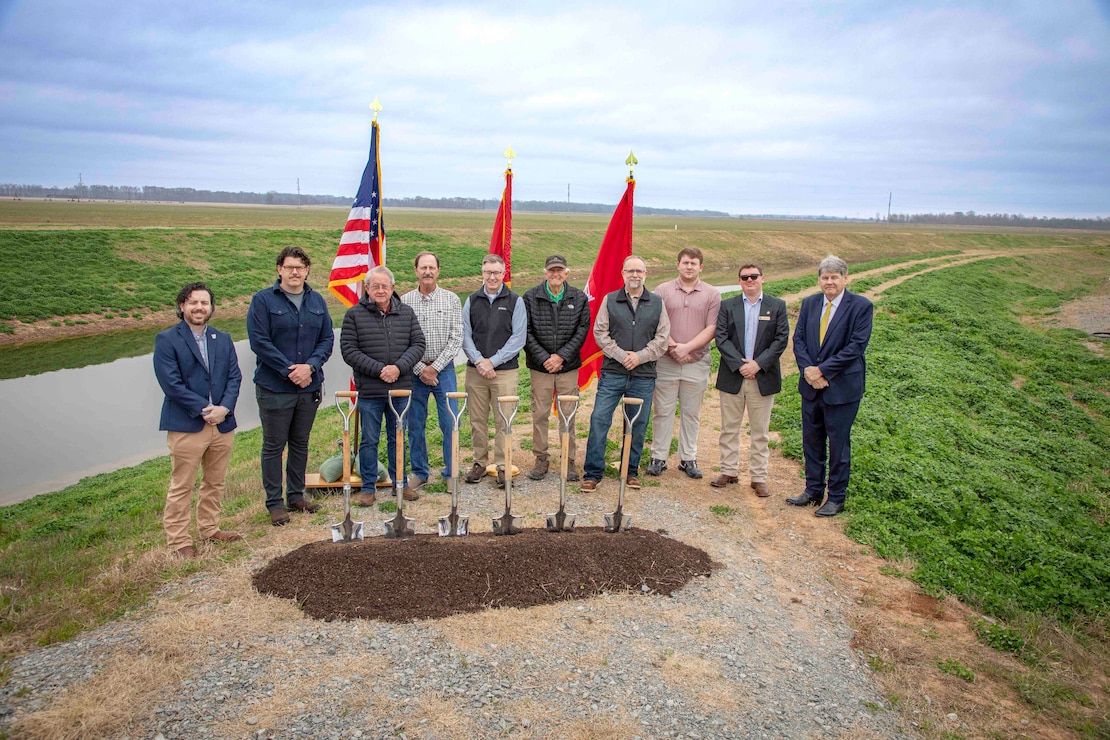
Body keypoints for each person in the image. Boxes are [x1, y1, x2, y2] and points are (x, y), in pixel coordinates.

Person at [246, 246, 335, 526]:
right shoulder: (262, 301)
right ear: (279, 270)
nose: (295, 272)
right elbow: (260, 342)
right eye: (289, 267)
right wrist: (289, 371)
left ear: (307, 270)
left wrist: (310, 367)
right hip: (275, 389)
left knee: (300, 443)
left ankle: (296, 496)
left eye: (300, 267)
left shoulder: (317, 301)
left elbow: (326, 340)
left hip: (308, 387)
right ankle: (275, 503)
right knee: (274, 446)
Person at [153, 282, 242, 558]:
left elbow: (234, 377)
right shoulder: (167, 339)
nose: (199, 308)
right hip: (188, 425)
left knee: (215, 481)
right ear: (182, 306)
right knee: (183, 485)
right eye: (193, 302)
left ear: (211, 308)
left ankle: (210, 529)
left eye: (204, 303)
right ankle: (179, 542)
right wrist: (207, 409)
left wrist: (224, 408)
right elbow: (172, 385)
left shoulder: (223, 339)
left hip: (222, 424)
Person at [786, 255, 874, 517]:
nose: (829, 282)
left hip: (842, 389)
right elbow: (799, 339)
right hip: (811, 387)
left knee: (838, 444)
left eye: (835, 277)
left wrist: (823, 370)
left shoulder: (860, 306)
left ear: (845, 278)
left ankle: (836, 497)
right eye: (825, 277)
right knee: (811, 441)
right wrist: (808, 371)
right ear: (819, 280)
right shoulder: (810, 303)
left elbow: (856, 347)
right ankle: (813, 490)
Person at [581, 255, 670, 492]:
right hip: (613, 373)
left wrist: (639, 357)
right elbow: (600, 333)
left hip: (643, 375)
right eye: (630, 271)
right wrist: (622, 355)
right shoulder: (610, 300)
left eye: (639, 271)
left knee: (638, 423)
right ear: (622, 274)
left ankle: (630, 471)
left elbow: (662, 339)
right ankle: (592, 473)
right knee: (599, 419)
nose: (635, 275)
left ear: (646, 274)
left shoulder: (657, 303)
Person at [341, 266, 426, 506]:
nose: (380, 290)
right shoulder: (354, 315)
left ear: (392, 288)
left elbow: (418, 344)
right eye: (375, 286)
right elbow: (349, 351)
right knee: (369, 439)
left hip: (400, 388)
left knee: (398, 436)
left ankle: (400, 482)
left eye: (384, 286)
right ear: (367, 288)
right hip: (370, 390)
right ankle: (368, 487)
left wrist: (398, 367)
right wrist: (380, 370)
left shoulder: (406, 313)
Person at [712, 264, 789, 495]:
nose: (749, 280)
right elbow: (721, 338)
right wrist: (740, 365)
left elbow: (781, 339)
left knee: (760, 431)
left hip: (762, 377)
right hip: (733, 375)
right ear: (739, 281)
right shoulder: (728, 305)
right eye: (744, 277)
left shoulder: (777, 306)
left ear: (762, 278)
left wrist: (758, 364)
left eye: (754, 276)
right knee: (729, 428)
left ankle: (758, 477)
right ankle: (728, 470)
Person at [645, 247, 721, 479]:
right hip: (666, 361)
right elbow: (656, 323)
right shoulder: (662, 290)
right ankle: (658, 456)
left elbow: (712, 327)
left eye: (694, 263)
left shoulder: (712, 294)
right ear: (678, 264)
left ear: (701, 267)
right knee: (663, 411)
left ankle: (688, 458)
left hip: (696, 362)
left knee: (691, 412)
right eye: (685, 262)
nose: (689, 266)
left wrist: (688, 348)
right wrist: (673, 347)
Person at [522, 254, 591, 481]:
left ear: (567, 273)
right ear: (545, 272)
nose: (555, 274)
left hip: (568, 366)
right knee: (540, 413)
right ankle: (541, 458)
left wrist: (561, 356)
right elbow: (526, 331)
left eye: (559, 270)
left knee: (568, 415)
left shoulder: (579, 298)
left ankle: (568, 460)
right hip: (540, 367)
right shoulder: (530, 297)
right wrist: (545, 358)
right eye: (551, 270)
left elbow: (582, 331)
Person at [461, 254, 527, 485]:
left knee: (504, 420)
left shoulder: (515, 301)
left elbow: (518, 338)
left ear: (503, 274)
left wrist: (493, 362)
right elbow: (465, 335)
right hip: (475, 371)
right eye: (488, 272)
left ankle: (502, 464)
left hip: (505, 372)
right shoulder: (471, 300)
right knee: (477, 420)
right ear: (482, 273)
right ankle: (479, 462)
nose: (492, 276)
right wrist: (480, 361)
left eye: (496, 272)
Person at [401, 251, 464, 491]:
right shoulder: (405, 302)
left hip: (444, 370)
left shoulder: (451, 299)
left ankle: (451, 473)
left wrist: (435, 368)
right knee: (415, 423)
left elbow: (456, 337)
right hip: (413, 371)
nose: (427, 272)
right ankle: (420, 471)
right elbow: (402, 340)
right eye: (423, 267)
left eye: (432, 267)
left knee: (450, 422)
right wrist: (420, 369)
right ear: (416, 270)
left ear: (438, 270)